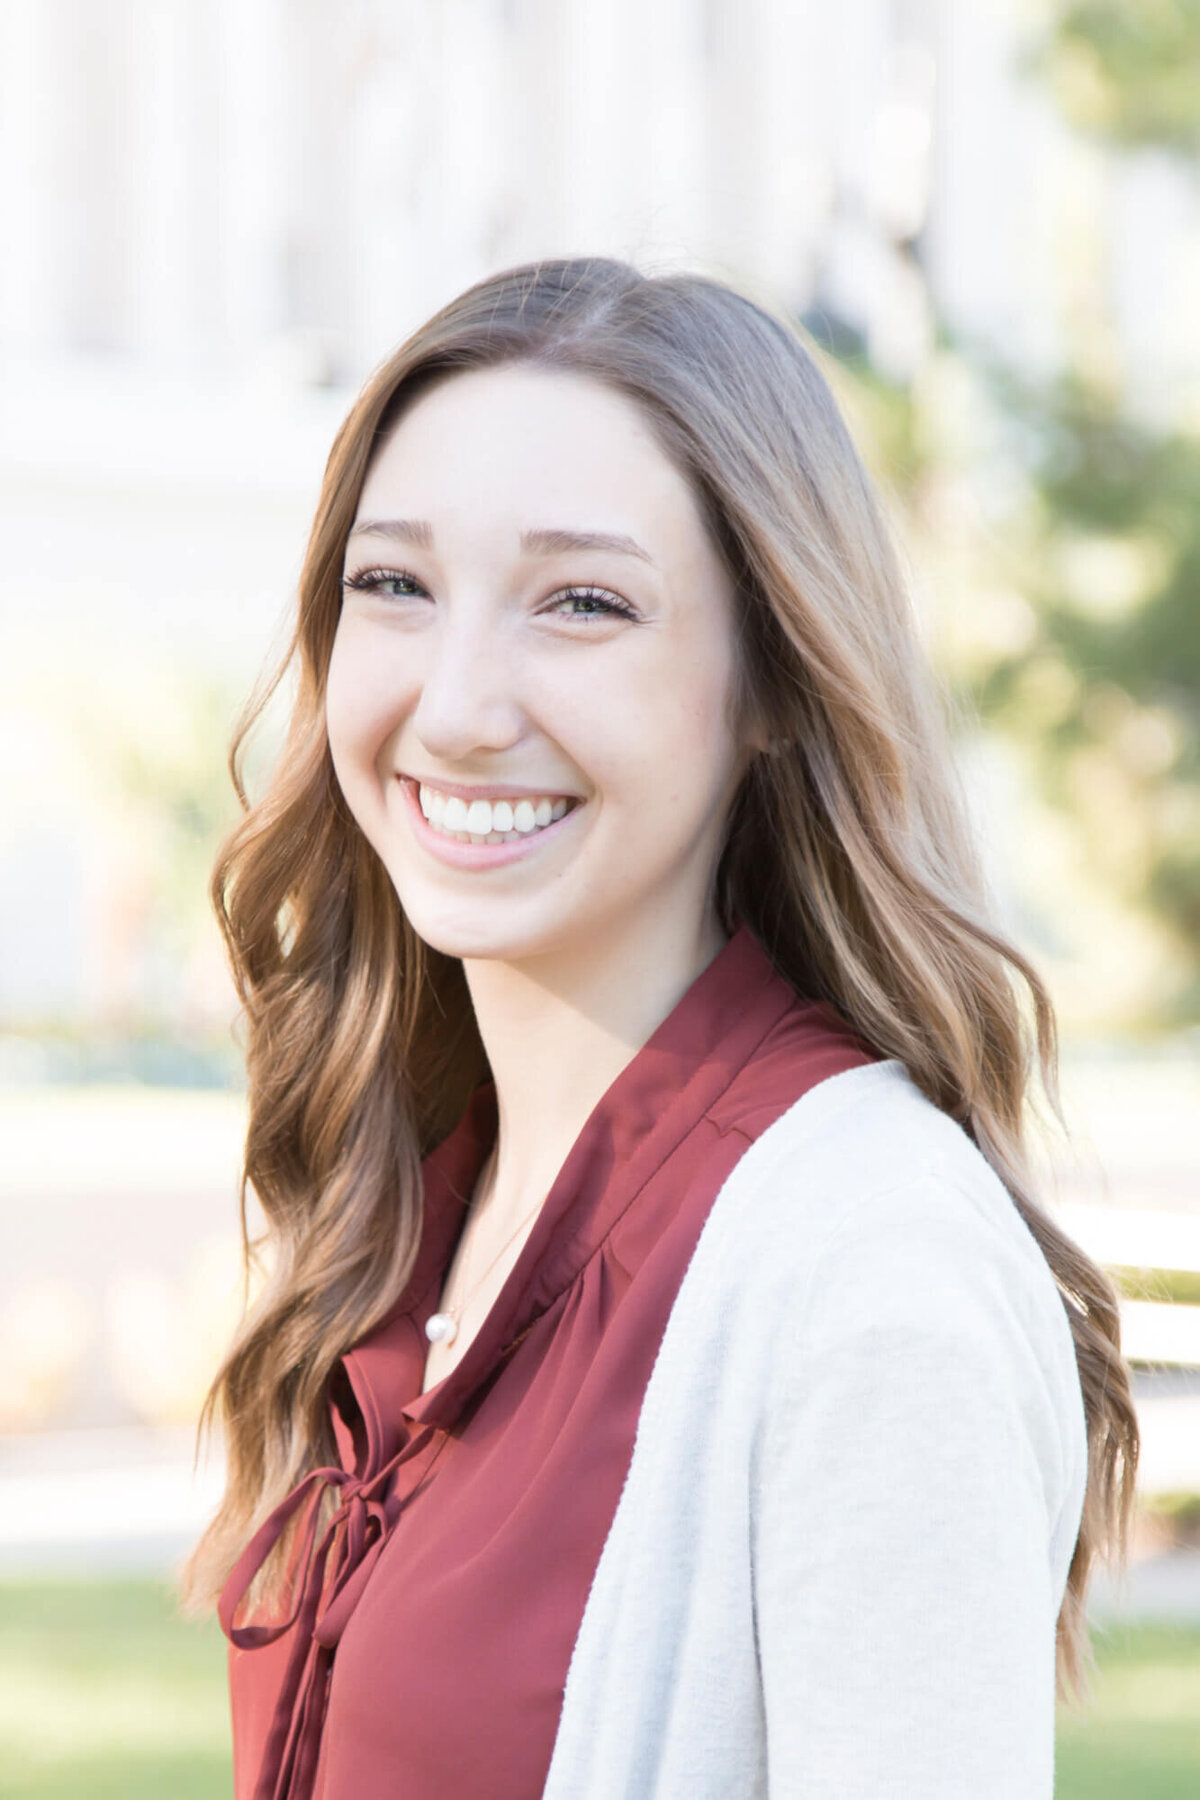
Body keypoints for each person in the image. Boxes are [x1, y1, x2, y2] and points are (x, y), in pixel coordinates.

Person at [183, 256, 1139, 1799]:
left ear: (770, 681)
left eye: (583, 603)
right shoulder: (422, 1198)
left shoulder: (873, 1274)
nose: (460, 703)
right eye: (396, 584)